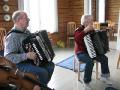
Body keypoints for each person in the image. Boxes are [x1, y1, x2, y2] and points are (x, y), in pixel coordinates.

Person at [4, 10, 55, 90]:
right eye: (26, 18)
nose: (29, 20)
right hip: (20, 64)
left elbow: (35, 44)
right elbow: (8, 57)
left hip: (31, 61)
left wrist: (47, 43)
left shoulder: (26, 31)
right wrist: (26, 55)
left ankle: (40, 86)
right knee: (43, 72)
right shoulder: (12, 37)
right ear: (18, 20)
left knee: (50, 65)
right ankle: (40, 87)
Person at [74, 15, 112, 90]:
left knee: (104, 58)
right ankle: (86, 82)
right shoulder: (78, 30)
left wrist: (103, 34)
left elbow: (96, 39)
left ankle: (104, 77)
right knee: (90, 61)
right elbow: (77, 39)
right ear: (86, 22)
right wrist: (85, 31)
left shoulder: (92, 30)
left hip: (91, 51)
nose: (92, 22)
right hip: (81, 52)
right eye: (91, 21)